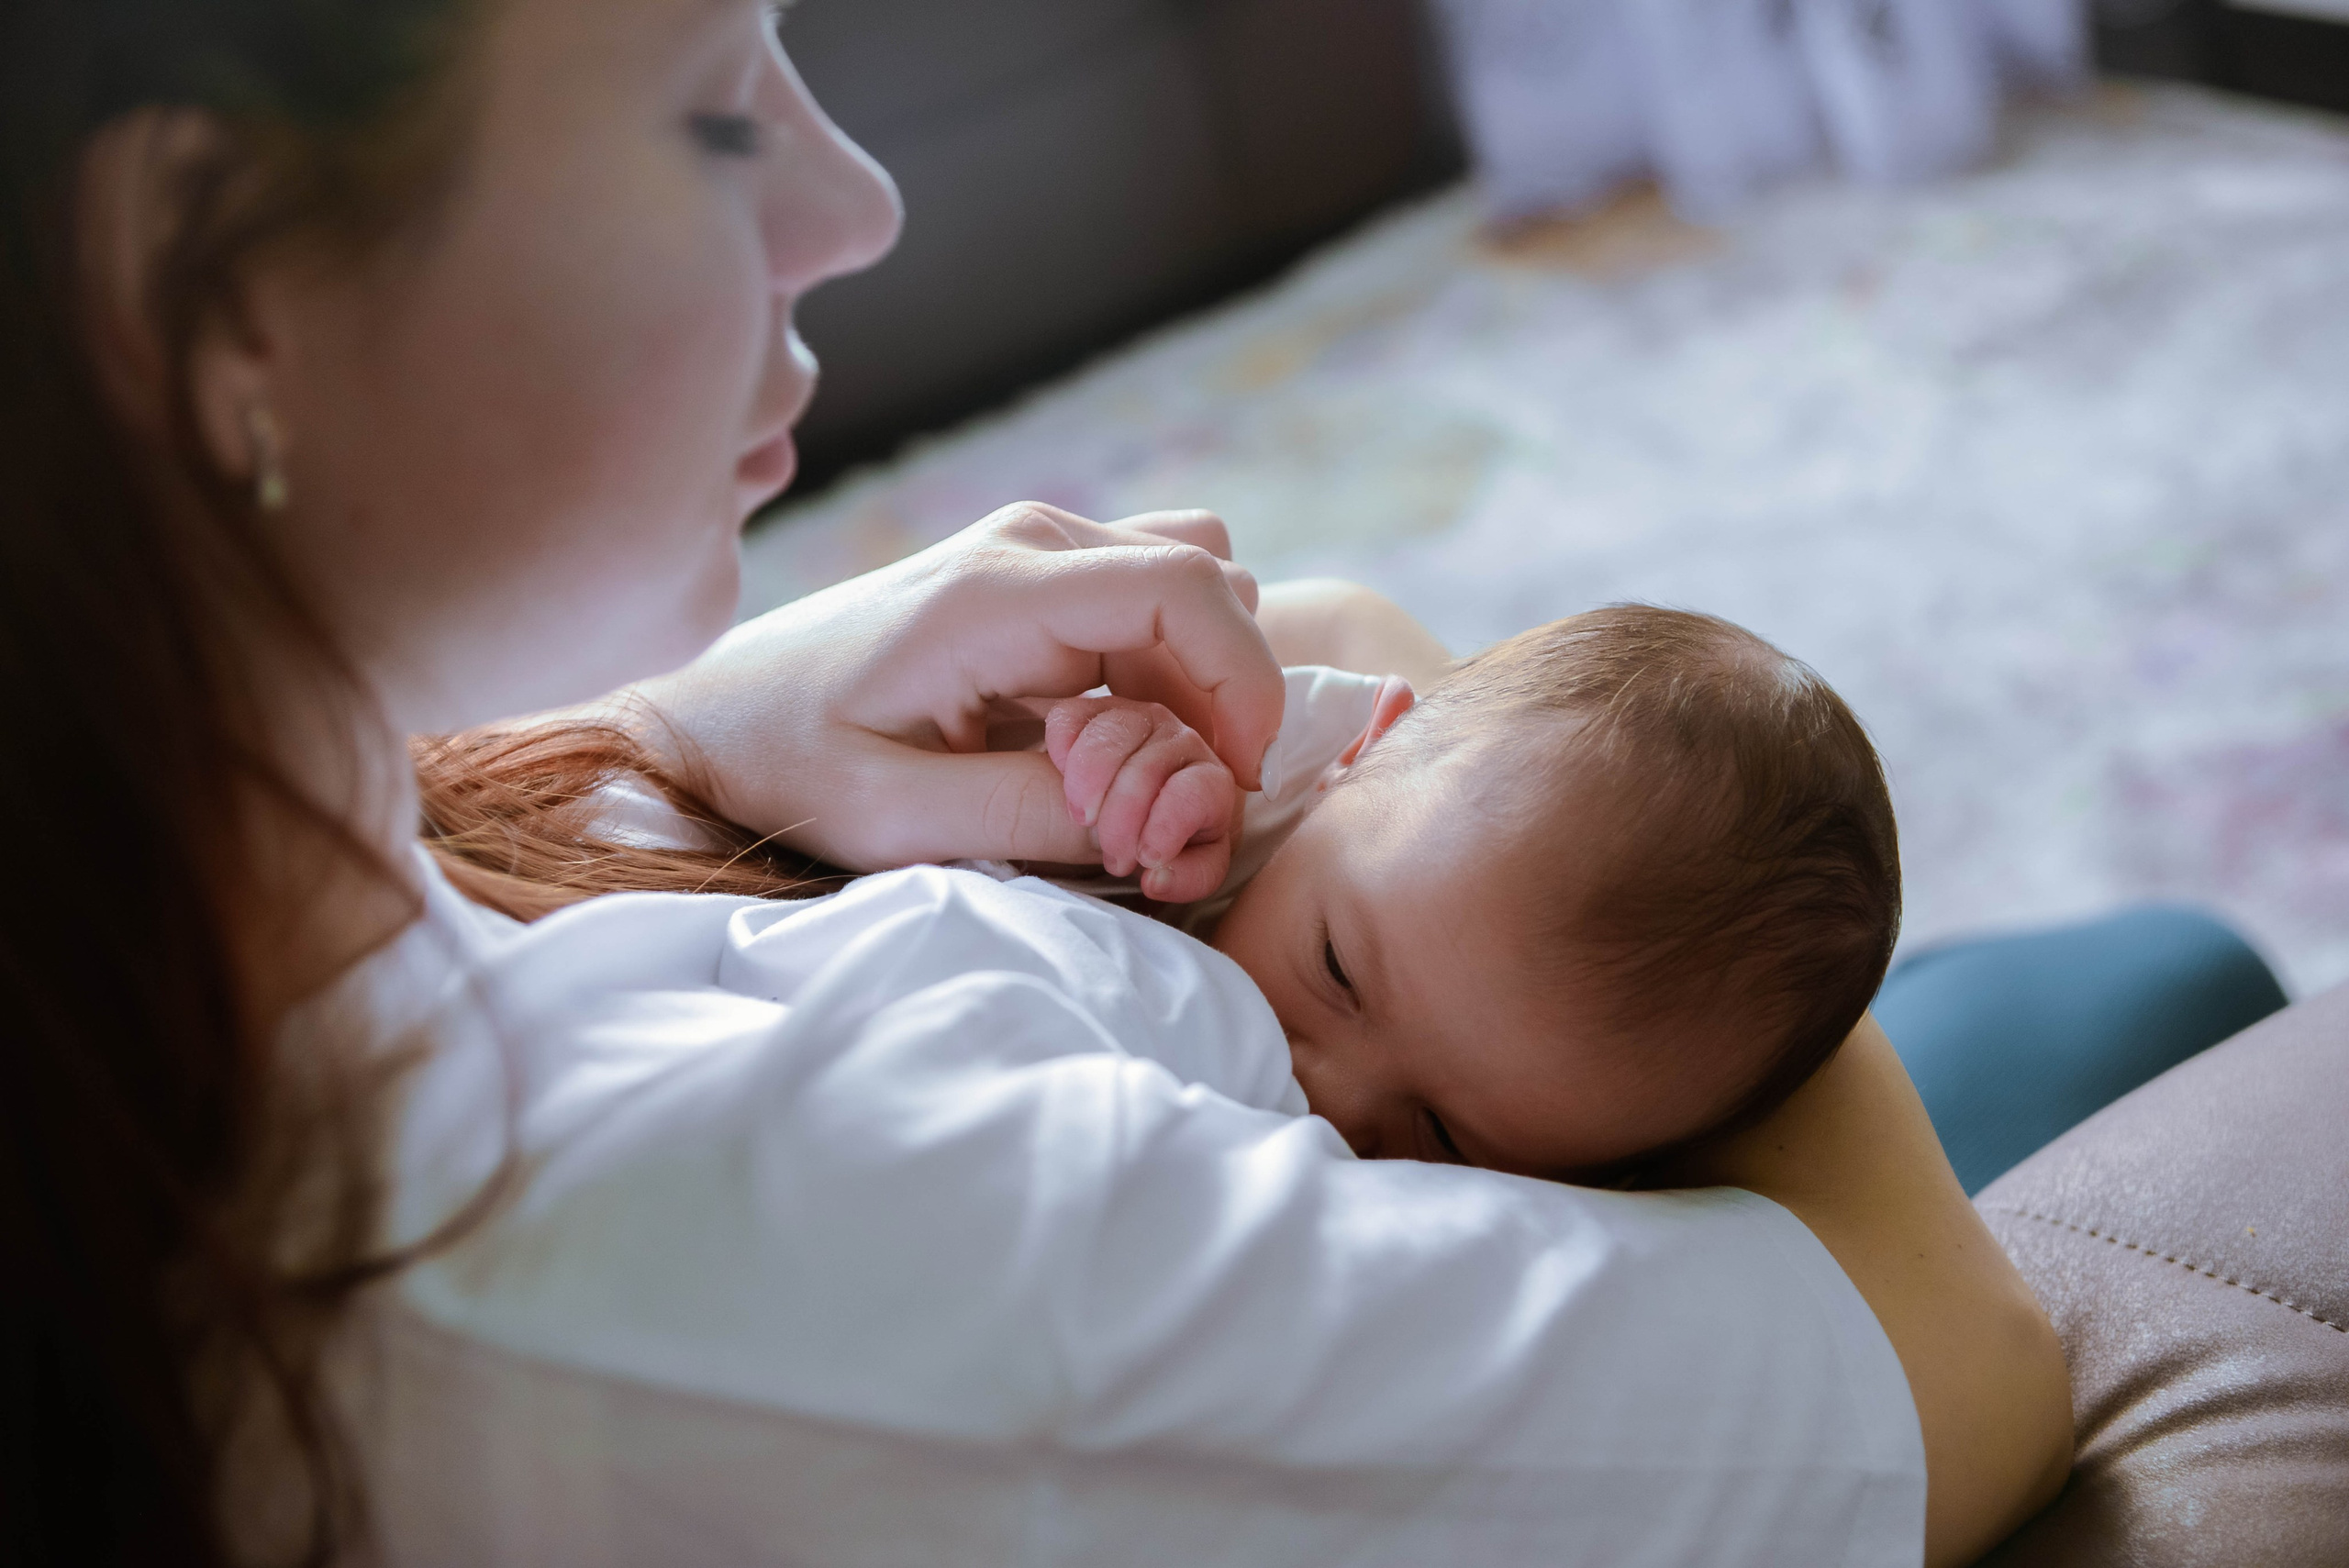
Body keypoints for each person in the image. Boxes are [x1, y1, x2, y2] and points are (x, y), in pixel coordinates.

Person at [2, 2, 2094, 1564]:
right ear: (215, 274)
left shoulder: (185, 911)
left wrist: (682, 733)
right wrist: (1384, 668)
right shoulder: (827, 1247)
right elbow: (1963, 1372)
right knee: (2150, 981)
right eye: (712, 110)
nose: (855, 206)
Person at [997, 604, 1899, 1184]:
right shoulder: (1230, 769)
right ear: (1359, 754)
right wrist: (1104, 766)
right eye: (1336, 969)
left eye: (1443, 1134)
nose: (1329, 1097)